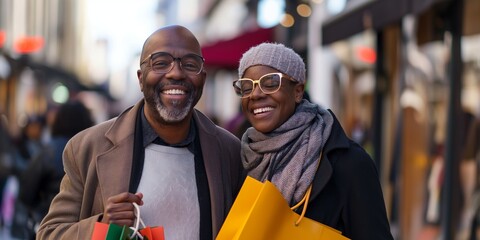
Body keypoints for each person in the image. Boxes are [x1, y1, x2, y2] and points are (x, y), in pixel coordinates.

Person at [36, 25, 244, 240]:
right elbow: (49, 234)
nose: (176, 73)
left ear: (203, 78)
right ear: (140, 78)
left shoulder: (229, 151)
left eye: (190, 64)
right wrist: (103, 226)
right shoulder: (87, 147)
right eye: (161, 63)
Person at [234, 42, 393, 239]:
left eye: (270, 83)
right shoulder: (238, 159)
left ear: (298, 91)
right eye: (247, 87)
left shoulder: (349, 163)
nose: (256, 94)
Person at [17, 100, 94, 239]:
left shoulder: (49, 151)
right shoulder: (93, 151)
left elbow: (26, 191)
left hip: (47, 225)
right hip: (83, 229)